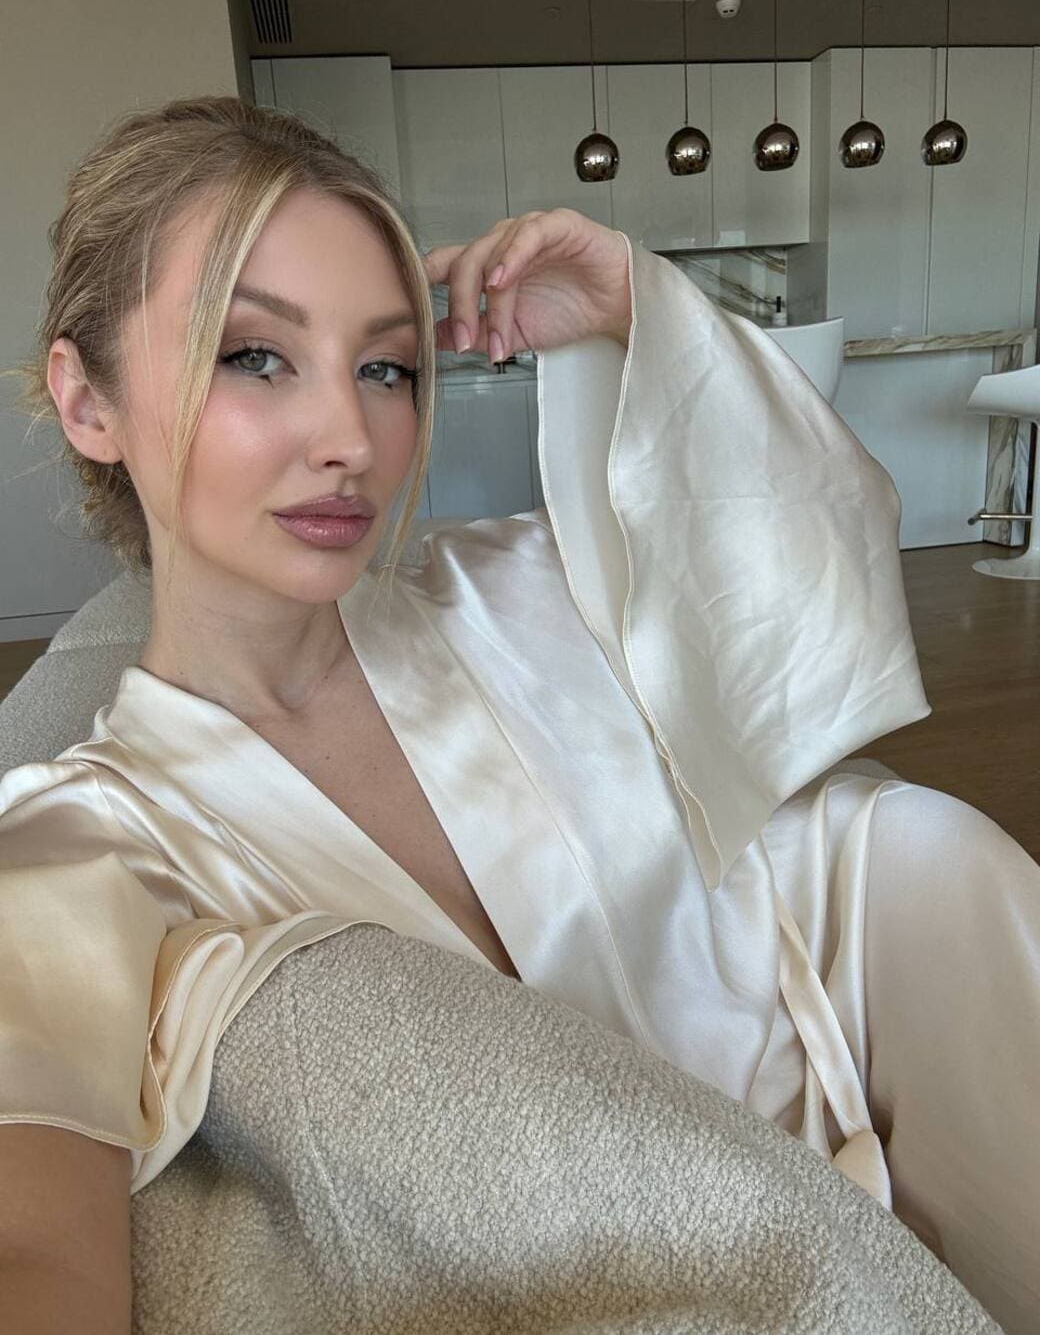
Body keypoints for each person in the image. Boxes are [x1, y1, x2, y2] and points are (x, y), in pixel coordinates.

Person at [0, 95, 1036, 1333]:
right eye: (252, 354)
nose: (350, 436)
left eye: (385, 366)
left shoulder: (518, 590)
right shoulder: (79, 841)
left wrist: (637, 313)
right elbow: (34, 1244)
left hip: (877, 1110)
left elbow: (805, 586)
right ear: (88, 401)